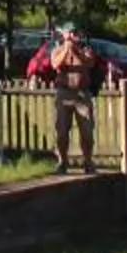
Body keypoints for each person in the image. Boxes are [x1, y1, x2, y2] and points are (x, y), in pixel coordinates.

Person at [27, 23, 106, 173]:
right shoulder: (57, 49)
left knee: (87, 132)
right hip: (64, 93)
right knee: (62, 131)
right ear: (63, 35)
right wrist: (66, 49)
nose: (72, 35)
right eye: (69, 33)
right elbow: (55, 64)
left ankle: (88, 162)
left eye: (74, 32)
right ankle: (62, 161)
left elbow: (89, 63)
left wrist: (75, 49)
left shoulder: (86, 49)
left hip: (82, 94)